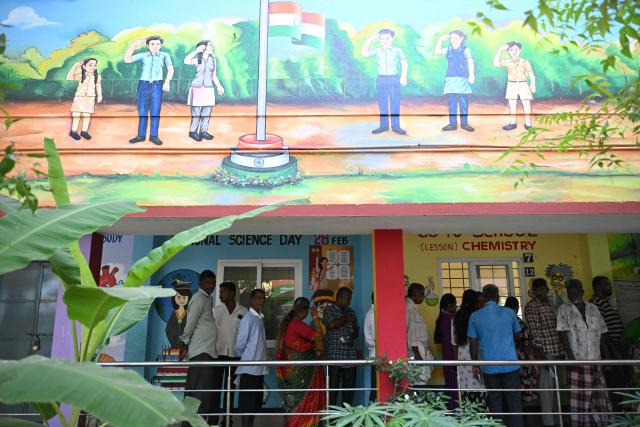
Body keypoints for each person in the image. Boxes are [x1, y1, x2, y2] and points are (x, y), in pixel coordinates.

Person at [557, 279, 612, 427]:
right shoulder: (564, 309)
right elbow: (562, 334)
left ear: (581, 291)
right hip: (577, 359)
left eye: (574, 289)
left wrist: (607, 358)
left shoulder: (593, 308)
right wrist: (572, 358)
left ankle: (601, 422)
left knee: (598, 395)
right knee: (580, 398)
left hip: (596, 358)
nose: (571, 292)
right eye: (569, 290)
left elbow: (603, 332)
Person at [468, 284, 523, 427]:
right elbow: (518, 336)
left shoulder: (474, 316)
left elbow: (473, 346)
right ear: (498, 297)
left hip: (489, 367)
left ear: (484, 298)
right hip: (510, 365)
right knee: (514, 403)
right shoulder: (510, 313)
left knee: (495, 402)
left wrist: (475, 364)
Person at [275, 297, 326, 427]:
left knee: (292, 403)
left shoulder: (288, 323)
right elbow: (318, 336)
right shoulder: (296, 324)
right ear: (306, 310)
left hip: (291, 371)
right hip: (301, 371)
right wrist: (315, 317)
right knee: (300, 402)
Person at [180, 270, 220, 425]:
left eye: (214, 282)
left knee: (196, 392)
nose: (212, 285)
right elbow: (190, 324)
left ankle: (189, 423)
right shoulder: (198, 298)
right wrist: (184, 343)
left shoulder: (206, 299)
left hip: (205, 351)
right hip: (201, 352)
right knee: (200, 393)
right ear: (201, 282)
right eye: (209, 282)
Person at [524, 278, 563, 427]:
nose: (540, 291)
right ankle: (548, 422)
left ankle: (558, 418)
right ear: (533, 292)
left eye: (542, 289)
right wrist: (541, 356)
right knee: (547, 389)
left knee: (556, 387)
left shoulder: (551, 305)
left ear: (547, 290)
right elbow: (534, 332)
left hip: (557, 351)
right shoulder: (532, 306)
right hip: (545, 352)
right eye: (537, 289)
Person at [124, 35, 174, 146]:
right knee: (142, 111)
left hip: (157, 85)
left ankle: (154, 136)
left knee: (155, 111)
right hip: (143, 85)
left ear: (161, 45)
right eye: (152, 44)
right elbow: (127, 60)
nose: (155, 46)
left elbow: (170, 69)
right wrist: (134, 46)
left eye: (158, 44)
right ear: (147, 45)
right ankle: (141, 136)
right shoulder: (143, 55)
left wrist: (167, 82)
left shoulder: (165, 55)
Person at [361, 28, 408, 135]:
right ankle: (384, 126)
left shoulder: (398, 50)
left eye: (387, 38)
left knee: (394, 102)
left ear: (392, 38)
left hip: (393, 79)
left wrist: (403, 76)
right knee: (382, 103)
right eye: (382, 39)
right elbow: (364, 53)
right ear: (379, 39)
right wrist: (370, 39)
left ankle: (396, 126)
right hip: (381, 79)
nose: (385, 41)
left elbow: (404, 63)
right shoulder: (377, 50)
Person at [213, 281, 247, 426]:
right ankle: (213, 419)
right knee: (215, 388)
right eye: (219, 291)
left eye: (223, 291)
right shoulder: (216, 310)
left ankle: (228, 419)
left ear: (232, 293)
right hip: (218, 354)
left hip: (235, 356)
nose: (220, 294)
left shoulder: (243, 312)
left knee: (230, 390)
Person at [590, 276, 627, 409]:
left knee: (622, 381)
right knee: (615, 382)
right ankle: (616, 414)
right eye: (607, 284)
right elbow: (601, 331)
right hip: (611, 349)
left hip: (617, 347)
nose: (610, 286)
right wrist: (613, 351)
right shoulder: (596, 303)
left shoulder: (605, 302)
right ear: (598, 287)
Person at [235, 289, 268, 427]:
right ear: (251, 300)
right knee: (247, 405)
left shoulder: (259, 318)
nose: (260, 301)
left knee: (254, 403)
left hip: (258, 369)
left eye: (262, 298)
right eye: (257, 298)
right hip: (249, 368)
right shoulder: (248, 318)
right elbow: (240, 344)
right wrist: (243, 357)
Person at [324, 286, 359, 406]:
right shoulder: (328, 310)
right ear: (340, 298)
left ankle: (347, 421)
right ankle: (332, 421)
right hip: (335, 357)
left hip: (350, 357)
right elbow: (331, 325)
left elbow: (356, 332)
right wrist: (346, 318)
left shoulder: (351, 311)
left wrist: (352, 336)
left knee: (348, 392)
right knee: (332, 392)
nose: (349, 302)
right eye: (348, 299)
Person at [183, 40, 224, 141]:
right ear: (203, 48)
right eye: (210, 46)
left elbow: (214, 75)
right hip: (197, 87)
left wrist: (219, 86)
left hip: (208, 87)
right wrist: (196, 51)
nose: (212, 47)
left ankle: (203, 131)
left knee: (207, 111)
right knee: (196, 112)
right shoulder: (198, 59)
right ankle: (193, 132)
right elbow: (186, 61)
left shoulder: (213, 60)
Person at [435, 30, 475, 132]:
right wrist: (440, 40)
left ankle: (464, 124)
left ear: (461, 39)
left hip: (462, 78)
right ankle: (452, 124)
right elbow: (437, 51)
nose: (453, 40)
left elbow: (470, 62)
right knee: (452, 102)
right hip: (451, 78)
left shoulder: (465, 49)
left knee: (463, 102)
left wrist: (471, 75)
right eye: (451, 38)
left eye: (455, 38)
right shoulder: (448, 49)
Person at [493, 41, 536, 130]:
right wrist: (500, 50)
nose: (514, 51)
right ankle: (513, 124)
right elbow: (495, 64)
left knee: (526, 104)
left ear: (520, 51)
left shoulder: (525, 61)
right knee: (512, 104)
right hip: (511, 84)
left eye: (516, 49)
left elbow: (531, 73)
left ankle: (528, 125)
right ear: (508, 51)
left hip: (523, 84)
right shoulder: (507, 61)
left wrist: (533, 83)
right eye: (512, 50)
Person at [452, 289, 485, 403]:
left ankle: (468, 416)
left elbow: (454, 343)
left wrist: (457, 363)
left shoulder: (455, 318)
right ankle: (481, 415)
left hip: (462, 359)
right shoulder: (477, 317)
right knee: (480, 388)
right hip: (477, 355)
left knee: (466, 389)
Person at [504, 296, 538, 405]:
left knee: (510, 391)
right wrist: (534, 364)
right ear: (517, 308)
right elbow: (527, 345)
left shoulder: (502, 323)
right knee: (522, 392)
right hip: (521, 362)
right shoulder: (520, 323)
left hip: (506, 361)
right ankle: (522, 417)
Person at [66, 58, 102, 141]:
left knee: (87, 115)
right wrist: (75, 66)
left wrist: (99, 95)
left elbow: (98, 86)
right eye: (90, 65)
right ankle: (73, 132)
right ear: (84, 66)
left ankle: (84, 131)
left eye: (95, 65)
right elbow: (68, 77)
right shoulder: (81, 75)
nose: (93, 67)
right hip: (79, 98)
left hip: (90, 98)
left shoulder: (97, 76)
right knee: (76, 115)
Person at [406, 283, 434, 385]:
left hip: (420, 349)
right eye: (422, 294)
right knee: (418, 381)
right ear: (415, 294)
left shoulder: (413, 307)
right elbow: (410, 332)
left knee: (420, 379)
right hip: (416, 351)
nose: (423, 297)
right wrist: (417, 353)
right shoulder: (409, 308)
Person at [434, 293, 457, 409]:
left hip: (446, 354)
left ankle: (450, 406)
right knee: (455, 382)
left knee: (449, 382)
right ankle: (455, 406)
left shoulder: (440, 318)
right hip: (453, 353)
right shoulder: (451, 319)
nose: (456, 306)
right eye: (455, 304)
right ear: (449, 305)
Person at [165, 278, 192, 355]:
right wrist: (174, 341)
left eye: (184, 298)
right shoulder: (174, 314)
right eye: (179, 297)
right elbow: (168, 330)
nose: (181, 300)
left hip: (187, 349)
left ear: (188, 298)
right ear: (174, 298)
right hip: (174, 348)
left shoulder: (189, 314)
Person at [310, 289, 333, 358]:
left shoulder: (335, 321)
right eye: (322, 307)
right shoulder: (314, 323)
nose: (325, 310)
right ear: (316, 308)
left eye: (328, 307)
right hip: (319, 356)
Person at [364, 292, 376, 402]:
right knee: (376, 388)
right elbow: (377, 338)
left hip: (376, 354)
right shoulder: (373, 315)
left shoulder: (373, 313)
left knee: (376, 387)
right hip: (377, 355)